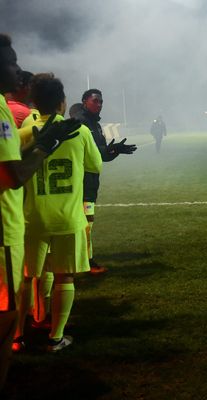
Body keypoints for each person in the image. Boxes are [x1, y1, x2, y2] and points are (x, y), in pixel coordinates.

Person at [0, 34, 81, 364]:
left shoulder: (10, 114)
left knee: (28, 282)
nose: (18, 70)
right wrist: (45, 145)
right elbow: (10, 176)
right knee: (7, 307)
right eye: (11, 62)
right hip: (6, 229)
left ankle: (23, 333)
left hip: (29, 220)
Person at [13, 73, 102, 352]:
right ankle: (55, 337)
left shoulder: (24, 132)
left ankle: (16, 336)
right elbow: (95, 166)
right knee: (65, 276)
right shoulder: (79, 131)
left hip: (32, 217)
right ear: (63, 101)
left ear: (34, 102)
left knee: (27, 278)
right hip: (67, 216)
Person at [75, 89, 137, 274]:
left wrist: (115, 150)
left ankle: (82, 260)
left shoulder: (95, 124)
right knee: (86, 221)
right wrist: (107, 151)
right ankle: (86, 262)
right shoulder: (82, 123)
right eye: (95, 101)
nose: (99, 104)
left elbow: (100, 155)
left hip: (91, 180)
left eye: (101, 101)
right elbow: (86, 153)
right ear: (85, 101)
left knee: (86, 221)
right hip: (82, 181)